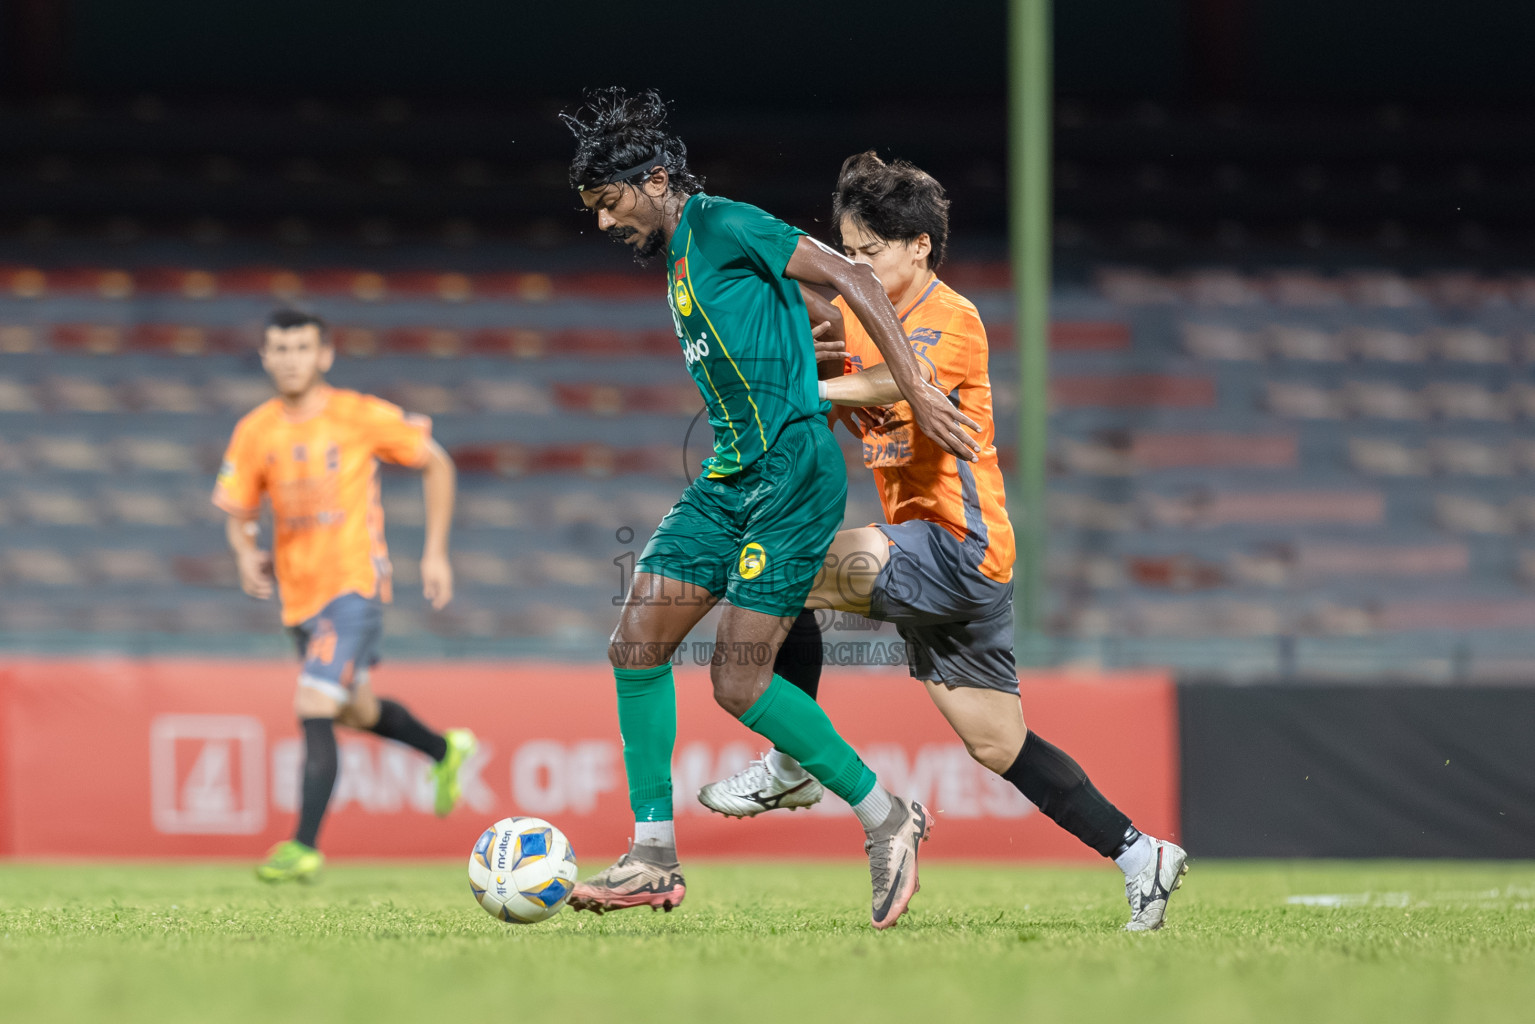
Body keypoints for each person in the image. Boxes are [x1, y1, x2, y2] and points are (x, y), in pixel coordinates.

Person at [699, 152, 1189, 931]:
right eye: (847, 251)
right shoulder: (857, 315)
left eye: (869, 252)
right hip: (942, 562)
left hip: (956, 545)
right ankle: (1141, 855)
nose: (852, 265)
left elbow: (897, 384)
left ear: (919, 246)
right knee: (997, 745)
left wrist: (802, 389)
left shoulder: (950, 318)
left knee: (783, 564)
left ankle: (790, 763)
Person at [560, 90, 981, 929]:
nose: (605, 225)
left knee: (737, 679)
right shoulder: (684, 257)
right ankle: (650, 857)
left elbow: (853, 276)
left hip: (791, 477)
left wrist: (917, 389)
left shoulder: (722, 223)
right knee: (634, 645)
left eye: (609, 205)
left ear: (652, 179)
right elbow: (816, 312)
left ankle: (885, 816)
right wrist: (813, 338)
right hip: (727, 479)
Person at [214, 309, 477, 883]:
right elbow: (238, 510)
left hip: (353, 587)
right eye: (279, 349)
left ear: (324, 355)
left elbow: (438, 465)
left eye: (301, 348)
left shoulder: (359, 415)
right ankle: (442, 749)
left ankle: (303, 846)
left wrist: (434, 552)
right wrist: (244, 553)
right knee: (354, 710)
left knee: (313, 703)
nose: (290, 359)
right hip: (298, 598)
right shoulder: (256, 429)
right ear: (265, 357)